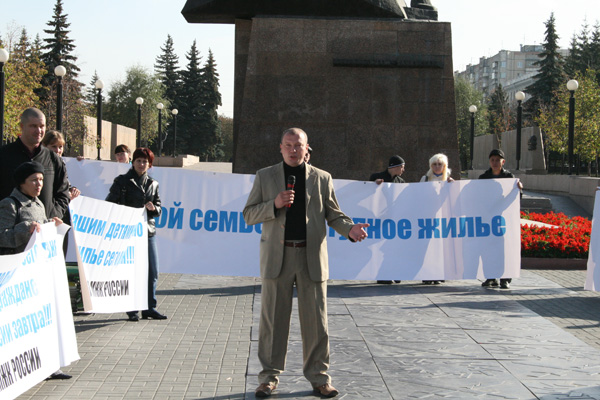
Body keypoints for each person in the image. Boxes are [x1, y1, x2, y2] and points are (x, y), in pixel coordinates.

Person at [243, 128, 369, 398]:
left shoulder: (322, 178)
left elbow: (334, 215)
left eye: (297, 145)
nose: (293, 150)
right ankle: (268, 378)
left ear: (306, 147)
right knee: (273, 321)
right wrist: (274, 204)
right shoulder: (265, 176)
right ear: (280, 147)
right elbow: (248, 215)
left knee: (316, 323)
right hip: (277, 258)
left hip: (311, 257)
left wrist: (349, 229)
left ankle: (319, 378)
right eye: (288, 145)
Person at [0, 161, 69, 380]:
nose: (39, 184)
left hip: (38, 272)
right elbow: (2, 236)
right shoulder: (10, 205)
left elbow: (39, 229)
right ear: (22, 182)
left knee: (41, 322)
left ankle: (49, 365)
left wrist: (50, 223)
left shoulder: (38, 203)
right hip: (18, 277)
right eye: (34, 180)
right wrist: (25, 228)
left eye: (41, 179)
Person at [105, 147, 166, 322]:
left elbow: (159, 208)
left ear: (150, 164)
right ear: (133, 162)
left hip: (148, 232)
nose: (141, 164)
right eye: (138, 160)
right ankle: (132, 308)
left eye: (145, 161)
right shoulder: (122, 181)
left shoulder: (153, 184)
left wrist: (154, 209)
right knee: (130, 271)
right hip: (128, 232)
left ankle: (149, 308)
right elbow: (110, 203)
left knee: (152, 271)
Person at [0, 108, 70, 220]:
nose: (39, 130)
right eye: (33, 126)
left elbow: (63, 193)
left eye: (42, 126)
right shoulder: (4, 155)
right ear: (22, 126)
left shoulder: (53, 159)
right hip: (10, 228)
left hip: (45, 228)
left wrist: (53, 216)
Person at [479, 149, 523, 289]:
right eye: (492, 160)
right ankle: (491, 277)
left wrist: (519, 189)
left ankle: (505, 279)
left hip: (504, 219)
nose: (495, 162)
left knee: (505, 249)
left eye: (498, 160)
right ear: (489, 162)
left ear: (503, 162)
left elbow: (516, 198)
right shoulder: (483, 178)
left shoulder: (509, 177)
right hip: (488, 220)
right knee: (488, 249)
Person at [370, 155, 406, 284]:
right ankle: (383, 275)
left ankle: (394, 272)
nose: (403, 170)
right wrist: (374, 185)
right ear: (395, 167)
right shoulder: (376, 177)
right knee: (380, 247)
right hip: (380, 219)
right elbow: (367, 192)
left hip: (395, 219)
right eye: (402, 167)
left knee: (394, 246)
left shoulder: (401, 181)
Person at [420, 153, 453, 285]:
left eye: (440, 164)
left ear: (445, 166)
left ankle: (439, 273)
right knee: (427, 248)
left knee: (441, 248)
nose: (437, 166)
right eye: (434, 164)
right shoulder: (425, 179)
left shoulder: (449, 180)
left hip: (443, 219)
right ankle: (427, 274)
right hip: (428, 218)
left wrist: (453, 186)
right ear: (430, 166)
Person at [41, 130, 80, 200]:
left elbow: (64, 184)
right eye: (54, 146)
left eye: (60, 147)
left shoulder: (61, 163)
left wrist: (72, 190)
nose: (58, 150)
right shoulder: (41, 163)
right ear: (44, 146)